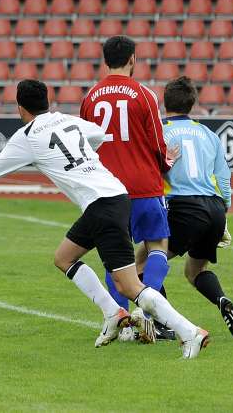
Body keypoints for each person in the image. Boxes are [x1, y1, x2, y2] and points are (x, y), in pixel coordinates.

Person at [0, 79, 209, 359]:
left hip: (103, 204)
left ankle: (190, 332)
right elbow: (98, 134)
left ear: (20, 108)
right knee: (63, 258)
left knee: (128, 285)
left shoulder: (27, 135)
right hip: (109, 197)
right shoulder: (66, 120)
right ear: (48, 102)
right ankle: (112, 312)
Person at [80, 36, 178, 343]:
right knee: (157, 246)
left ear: (105, 60)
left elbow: (85, 146)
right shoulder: (144, 95)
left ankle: (123, 323)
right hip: (144, 185)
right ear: (133, 59)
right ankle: (148, 313)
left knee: (115, 256)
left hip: (107, 189)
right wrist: (167, 163)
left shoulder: (91, 97)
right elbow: (157, 143)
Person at [160, 77, 233, 338]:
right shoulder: (208, 134)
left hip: (184, 206)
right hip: (214, 207)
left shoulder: (161, 131)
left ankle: (164, 325)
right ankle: (222, 301)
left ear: (165, 102)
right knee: (195, 270)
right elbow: (223, 175)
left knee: (142, 264)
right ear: (192, 103)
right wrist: (225, 210)